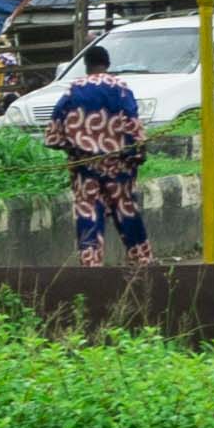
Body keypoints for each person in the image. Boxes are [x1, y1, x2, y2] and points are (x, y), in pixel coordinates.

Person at [47, 25, 152, 268]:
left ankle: (90, 263)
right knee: (126, 210)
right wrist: (138, 151)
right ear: (107, 63)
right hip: (119, 165)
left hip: (85, 165)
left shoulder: (74, 89)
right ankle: (141, 260)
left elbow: (56, 128)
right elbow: (131, 120)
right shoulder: (120, 87)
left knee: (88, 210)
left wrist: (71, 148)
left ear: (86, 65)